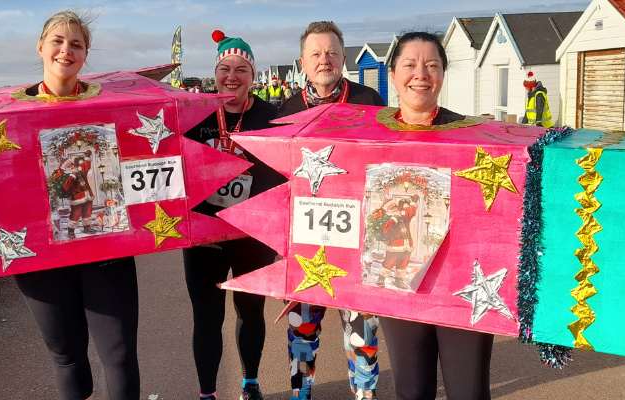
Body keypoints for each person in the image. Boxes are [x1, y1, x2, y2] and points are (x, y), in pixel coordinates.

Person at [14, 10, 140, 400]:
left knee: (119, 355)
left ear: (85, 54)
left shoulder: (109, 107)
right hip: (42, 254)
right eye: (57, 41)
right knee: (66, 357)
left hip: (105, 244)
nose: (65, 50)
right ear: (40, 47)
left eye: (76, 44)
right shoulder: (9, 114)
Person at [380, 31, 493, 400]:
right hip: (400, 281)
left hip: (463, 283)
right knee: (411, 392)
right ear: (393, 75)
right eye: (410, 65)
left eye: (432, 65)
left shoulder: (474, 136)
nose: (421, 74)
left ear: (443, 74)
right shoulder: (370, 137)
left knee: (468, 392)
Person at [277, 21, 385, 400]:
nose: (324, 59)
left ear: (342, 58)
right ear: (303, 63)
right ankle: (301, 392)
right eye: (316, 54)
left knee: (363, 331)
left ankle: (365, 393)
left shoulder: (370, 101)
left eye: (332, 52)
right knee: (302, 329)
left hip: (359, 242)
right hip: (305, 244)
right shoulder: (285, 112)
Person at [182, 29, 285, 400]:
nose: (232, 76)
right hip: (205, 234)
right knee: (207, 317)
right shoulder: (195, 114)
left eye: (242, 69)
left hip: (252, 235)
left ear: (253, 76)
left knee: (250, 311)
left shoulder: (272, 116)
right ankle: (207, 393)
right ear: (215, 73)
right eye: (225, 68)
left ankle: (250, 383)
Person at [62, 150, 95, 237]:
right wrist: (72, 176)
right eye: (69, 165)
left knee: (87, 211)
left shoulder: (81, 170)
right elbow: (66, 186)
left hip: (87, 195)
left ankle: (87, 227)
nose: (72, 166)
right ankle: (71, 230)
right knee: (76, 213)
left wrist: (87, 157)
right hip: (77, 197)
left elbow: (86, 167)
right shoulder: (68, 175)